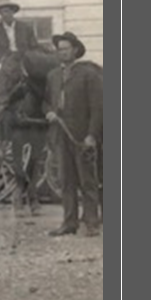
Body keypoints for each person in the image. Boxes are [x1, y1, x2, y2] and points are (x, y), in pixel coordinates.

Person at [45, 32, 103, 237]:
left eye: (66, 49)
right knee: (66, 181)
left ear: (75, 51)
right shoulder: (53, 76)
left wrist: (91, 136)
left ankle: (92, 223)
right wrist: (49, 112)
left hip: (81, 137)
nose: (62, 52)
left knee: (87, 181)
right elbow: (46, 102)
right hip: (60, 135)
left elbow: (98, 108)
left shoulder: (89, 75)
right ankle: (69, 223)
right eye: (59, 49)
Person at [0, 0, 39, 66]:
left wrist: (27, 59)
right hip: (4, 63)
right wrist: (4, 61)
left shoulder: (26, 28)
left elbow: (34, 47)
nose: (5, 15)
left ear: (13, 12)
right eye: (2, 12)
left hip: (25, 63)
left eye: (7, 11)